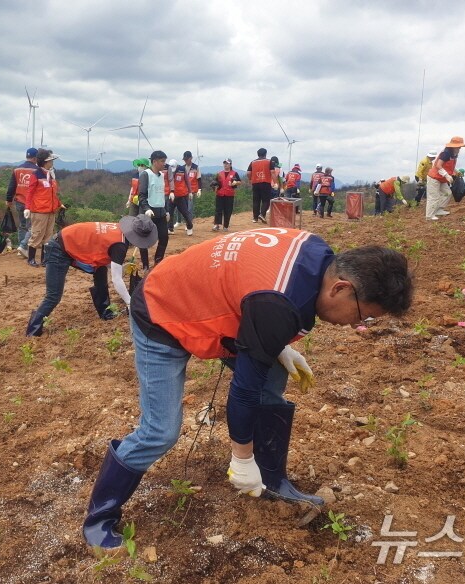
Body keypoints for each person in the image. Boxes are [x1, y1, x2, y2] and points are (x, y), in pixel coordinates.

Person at [82, 231, 414, 549]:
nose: (357, 324)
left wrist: (275, 344)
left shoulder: (316, 252)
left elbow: (254, 288)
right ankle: (99, 519)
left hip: (207, 298)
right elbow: (243, 391)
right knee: (160, 431)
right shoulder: (278, 304)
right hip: (163, 309)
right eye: (364, 315)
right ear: (341, 287)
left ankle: (271, 481)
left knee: (271, 380)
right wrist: (241, 458)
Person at [25, 215, 158, 336]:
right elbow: (116, 279)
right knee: (53, 296)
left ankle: (105, 312)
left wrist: (121, 268)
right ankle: (33, 329)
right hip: (58, 249)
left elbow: (105, 256)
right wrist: (130, 303)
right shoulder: (120, 245)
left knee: (100, 270)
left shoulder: (118, 231)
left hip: (69, 242)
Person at [24, 149, 62, 268]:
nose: (52, 162)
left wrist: (59, 204)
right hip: (39, 210)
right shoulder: (36, 174)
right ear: (45, 162)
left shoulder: (50, 174)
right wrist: (27, 207)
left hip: (50, 210)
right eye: (50, 160)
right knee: (37, 234)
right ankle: (31, 259)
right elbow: (30, 192)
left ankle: (44, 260)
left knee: (48, 236)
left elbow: (53, 193)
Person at [138, 150, 172, 269]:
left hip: (160, 211)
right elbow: (141, 194)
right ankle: (145, 265)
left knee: (164, 237)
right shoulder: (145, 175)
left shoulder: (162, 175)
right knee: (144, 240)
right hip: (148, 212)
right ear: (155, 161)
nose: (164, 164)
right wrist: (146, 208)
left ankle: (158, 261)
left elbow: (162, 194)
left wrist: (166, 210)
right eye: (162, 161)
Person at [5, 147, 39, 256]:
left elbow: (12, 186)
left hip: (19, 201)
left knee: (22, 225)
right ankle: (23, 246)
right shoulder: (37, 171)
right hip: (31, 203)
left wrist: (8, 199)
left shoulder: (17, 169)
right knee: (32, 226)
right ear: (35, 158)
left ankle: (21, 247)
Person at [426, 136, 465, 221]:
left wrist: (455, 172)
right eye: (458, 147)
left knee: (447, 193)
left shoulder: (454, 154)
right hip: (434, 178)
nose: (459, 149)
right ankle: (429, 216)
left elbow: (450, 165)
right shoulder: (446, 153)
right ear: (453, 146)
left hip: (442, 179)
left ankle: (439, 210)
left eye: (460, 147)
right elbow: (438, 165)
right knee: (434, 197)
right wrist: (446, 175)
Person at [212, 158, 241, 231]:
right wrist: (215, 187)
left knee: (228, 211)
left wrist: (235, 183)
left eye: (227, 163)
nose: (225, 165)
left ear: (230, 164)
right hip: (220, 194)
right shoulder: (219, 173)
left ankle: (226, 226)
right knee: (218, 210)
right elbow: (215, 183)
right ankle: (217, 225)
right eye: (224, 163)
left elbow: (239, 181)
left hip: (229, 194)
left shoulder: (234, 173)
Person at [169, 157, 194, 236]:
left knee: (185, 213)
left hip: (181, 196)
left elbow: (187, 181)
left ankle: (189, 227)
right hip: (171, 195)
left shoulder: (182, 170)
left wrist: (190, 192)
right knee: (169, 213)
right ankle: (170, 228)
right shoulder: (167, 170)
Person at [247, 148, 273, 223]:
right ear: (265, 154)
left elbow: (248, 173)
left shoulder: (253, 162)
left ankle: (255, 218)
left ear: (258, 154)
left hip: (255, 183)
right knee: (265, 200)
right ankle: (262, 214)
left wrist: (251, 179)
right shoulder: (269, 161)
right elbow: (272, 172)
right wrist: (275, 182)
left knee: (256, 200)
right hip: (265, 182)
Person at [180, 151, 202, 228]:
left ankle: (189, 224)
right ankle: (183, 221)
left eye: (187, 159)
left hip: (192, 191)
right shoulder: (182, 168)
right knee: (183, 207)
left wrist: (199, 189)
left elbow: (199, 179)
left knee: (189, 208)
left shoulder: (196, 167)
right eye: (184, 159)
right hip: (183, 191)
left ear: (191, 158)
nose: (186, 161)